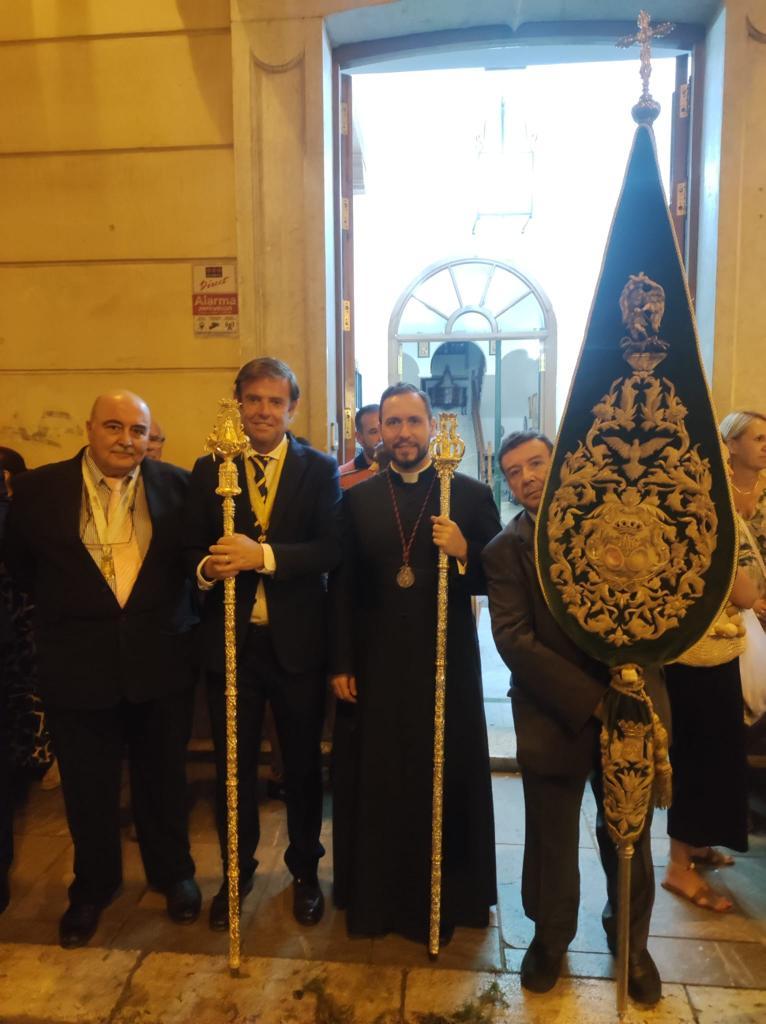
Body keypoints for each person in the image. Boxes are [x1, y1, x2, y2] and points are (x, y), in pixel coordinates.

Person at [4, 391, 201, 948]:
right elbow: (22, 566)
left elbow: (190, 563)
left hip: (159, 659)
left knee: (163, 776)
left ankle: (174, 874)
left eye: (138, 431)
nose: (126, 440)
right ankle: (92, 886)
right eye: (114, 427)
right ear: (89, 429)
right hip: (77, 662)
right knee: (88, 786)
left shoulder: (177, 486)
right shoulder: (39, 490)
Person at [482, 430, 665, 1005]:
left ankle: (630, 940)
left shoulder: (620, 522)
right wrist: (590, 698)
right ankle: (551, 935)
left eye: (537, 462)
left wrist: (625, 687)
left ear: (562, 461)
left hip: (629, 706)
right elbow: (513, 637)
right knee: (551, 836)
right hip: (553, 711)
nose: (528, 476)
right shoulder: (505, 549)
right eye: (514, 471)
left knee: (626, 829)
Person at [329, 382, 500, 942]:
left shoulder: (469, 497)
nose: (402, 433)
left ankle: (448, 896)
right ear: (380, 432)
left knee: (444, 774)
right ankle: (380, 899)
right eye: (392, 423)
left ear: (432, 427)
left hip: (445, 662)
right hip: (377, 663)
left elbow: (501, 580)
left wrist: (464, 553)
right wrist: (342, 661)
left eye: (413, 422)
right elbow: (344, 590)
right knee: (383, 776)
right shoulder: (357, 499)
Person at [185, 357, 342, 930]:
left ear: (292, 409)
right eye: (253, 400)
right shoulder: (210, 468)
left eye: (276, 402)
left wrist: (264, 557)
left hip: (298, 646)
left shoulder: (318, 469)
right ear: (238, 404)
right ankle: (236, 874)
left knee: (301, 768)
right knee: (234, 769)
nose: (264, 411)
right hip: (231, 648)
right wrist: (208, 566)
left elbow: (330, 549)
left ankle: (304, 872)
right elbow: (187, 550)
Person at [338, 404, 380, 490]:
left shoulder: (406, 469)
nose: (381, 437)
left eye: (384, 429)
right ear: (360, 438)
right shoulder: (342, 476)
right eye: (374, 432)